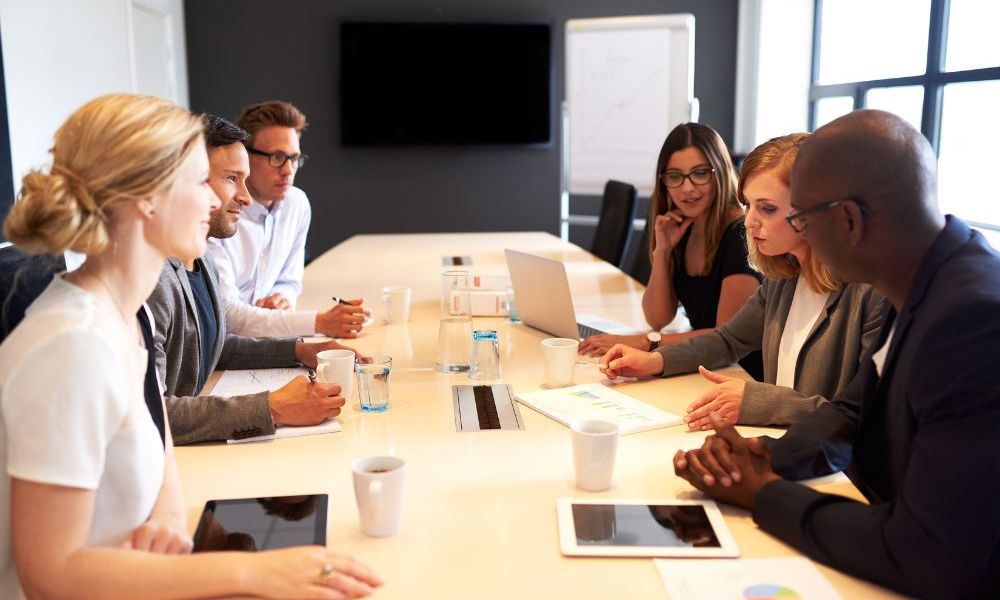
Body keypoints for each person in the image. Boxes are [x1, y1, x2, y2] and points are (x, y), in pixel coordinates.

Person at [0, 93, 381, 598]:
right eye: (202, 182)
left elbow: (156, 439)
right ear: (146, 197)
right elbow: (50, 574)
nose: (218, 201)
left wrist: (165, 513)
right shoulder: (70, 347)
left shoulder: (125, 312)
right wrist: (257, 572)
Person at [672, 110, 1000, 598]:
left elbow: (928, 553)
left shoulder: (970, 321)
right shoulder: (922, 274)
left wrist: (766, 495)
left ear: (847, 220)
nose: (797, 236)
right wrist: (761, 458)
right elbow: (852, 412)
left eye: (800, 217)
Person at [599, 133, 887, 429]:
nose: (748, 222)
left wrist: (757, 401)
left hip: (832, 470)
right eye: (748, 205)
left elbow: (862, 417)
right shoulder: (784, 276)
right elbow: (729, 339)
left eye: (767, 208)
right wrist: (656, 361)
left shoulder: (872, 294)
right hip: (781, 445)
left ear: (813, 209)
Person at [148, 115, 359, 445]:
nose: (245, 198)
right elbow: (153, 414)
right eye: (231, 179)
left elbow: (214, 349)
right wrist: (271, 408)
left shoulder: (203, 261)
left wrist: (300, 351)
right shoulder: (154, 281)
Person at [579, 123, 764, 380]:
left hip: (739, 373)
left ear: (720, 172)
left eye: (700, 174)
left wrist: (647, 342)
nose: (687, 188)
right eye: (675, 176)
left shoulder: (739, 236)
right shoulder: (682, 227)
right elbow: (657, 318)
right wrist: (663, 252)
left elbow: (726, 336)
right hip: (700, 365)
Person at [207, 100, 348, 316]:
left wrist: (282, 298)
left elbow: (289, 281)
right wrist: (318, 321)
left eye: (294, 158)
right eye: (278, 157)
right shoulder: (218, 214)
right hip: (232, 340)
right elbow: (228, 314)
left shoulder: (296, 203)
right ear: (246, 154)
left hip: (271, 329)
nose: (288, 170)